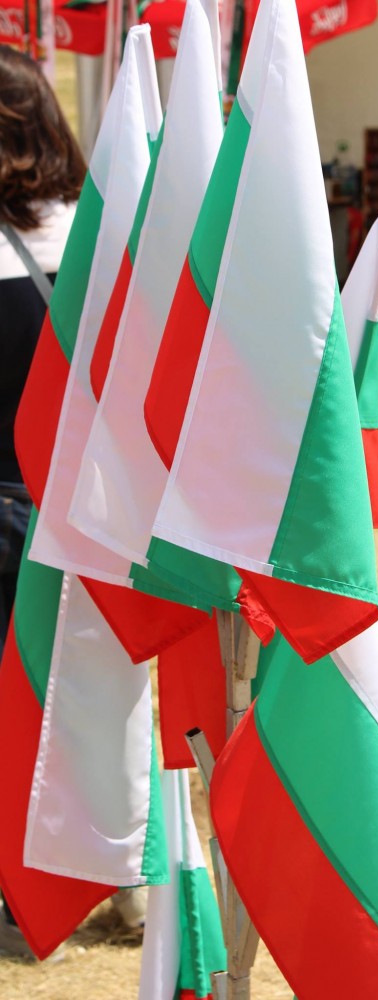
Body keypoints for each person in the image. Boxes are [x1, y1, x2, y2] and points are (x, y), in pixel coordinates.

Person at [0, 43, 146, 958]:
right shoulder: (105, 233)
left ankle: (27, 884)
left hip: (8, 508)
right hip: (100, 507)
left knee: (14, 702)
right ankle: (128, 882)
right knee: (105, 697)